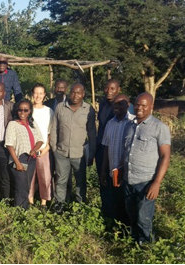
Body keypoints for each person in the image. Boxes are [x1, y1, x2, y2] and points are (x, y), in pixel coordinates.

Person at [122, 92, 171, 244]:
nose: (139, 108)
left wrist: (156, 183)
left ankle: (147, 247)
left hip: (146, 182)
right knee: (131, 215)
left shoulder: (159, 128)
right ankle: (134, 242)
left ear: (151, 107)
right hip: (128, 179)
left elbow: (165, 156)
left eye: (144, 105)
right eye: (137, 104)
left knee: (144, 218)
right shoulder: (129, 126)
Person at [50, 83, 96, 211]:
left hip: (79, 154)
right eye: (73, 92)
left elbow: (92, 133)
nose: (75, 96)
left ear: (83, 94)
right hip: (62, 152)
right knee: (61, 180)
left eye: (79, 93)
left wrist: (91, 153)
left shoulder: (88, 109)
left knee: (80, 181)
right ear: (69, 93)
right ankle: (59, 204)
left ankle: (80, 205)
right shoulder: (60, 107)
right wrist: (54, 148)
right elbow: (54, 128)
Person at [95, 79, 134, 218]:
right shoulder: (104, 105)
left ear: (119, 89)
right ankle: (108, 214)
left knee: (121, 187)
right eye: (106, 88)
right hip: (104, 149)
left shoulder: (130, 117)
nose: (108, 91)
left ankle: (122, 219)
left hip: (121, 156)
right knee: (105, 182)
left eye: (112, 88)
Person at [5, 99, 44, 209]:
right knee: (20, 186)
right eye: (20, 110)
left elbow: (40, 139)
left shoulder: (32, 123)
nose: (22, 113)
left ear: (30, 111)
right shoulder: (13, 124)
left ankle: (24, 209)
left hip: (31, 159)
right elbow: (9, 144)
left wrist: (34, 149)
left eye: (25, 110)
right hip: (19, 158)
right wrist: (17, 162)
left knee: (26, 186)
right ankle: (20, 210)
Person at [28, 84, 54, 207]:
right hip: (29, 149)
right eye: (36, 93)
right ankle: (30, 200)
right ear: (32, 94)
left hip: (43, 149)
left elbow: (50, 131)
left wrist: (47, 147)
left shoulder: (49, 111)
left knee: (44, 176)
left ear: (44, 95)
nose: (38, 96)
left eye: (40, 93)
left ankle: (44, 201)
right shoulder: (27, 110)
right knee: (30, 176)